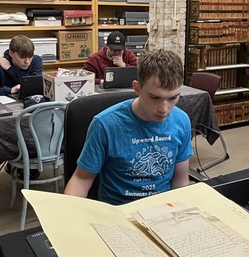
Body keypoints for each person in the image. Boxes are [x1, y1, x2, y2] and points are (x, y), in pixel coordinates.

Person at [64, 48, 192, 204]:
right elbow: (81, 180)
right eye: (154, 97)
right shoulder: (105, 124)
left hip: (161, 208)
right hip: (117, 209)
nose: (164, 109)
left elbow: (181, 182)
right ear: (137, 88)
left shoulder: (181, 121)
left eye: (173, 98)